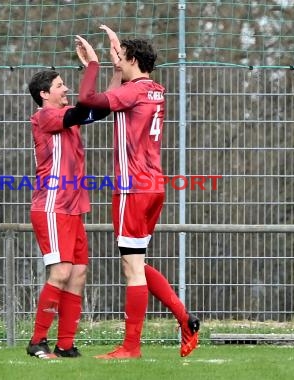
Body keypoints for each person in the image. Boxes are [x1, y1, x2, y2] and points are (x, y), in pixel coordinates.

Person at [75, 26, 200, 359]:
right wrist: (117, 70)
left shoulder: (134, 92)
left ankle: (131, 347)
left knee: (132, 268)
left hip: (132, 188)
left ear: (132, 58)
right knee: (136, 263)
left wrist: (94, 66)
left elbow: (89, 103)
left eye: (122, 55)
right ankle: (184, 318)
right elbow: (107, 106)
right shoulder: (154, 89)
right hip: (153, 185)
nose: (119, 58)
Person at [26, 70, 110, 359]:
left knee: (77, 274)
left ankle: (65, 345)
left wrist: (113, 71)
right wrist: (92, 67)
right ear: (44, 94)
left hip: (72, 209)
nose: (66, 89)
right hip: (51, 207)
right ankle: (38, 342)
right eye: (60, 85)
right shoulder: (45, 117)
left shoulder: (68, 117)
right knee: (61, 272)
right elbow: (85, 106)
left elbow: (101, 107)